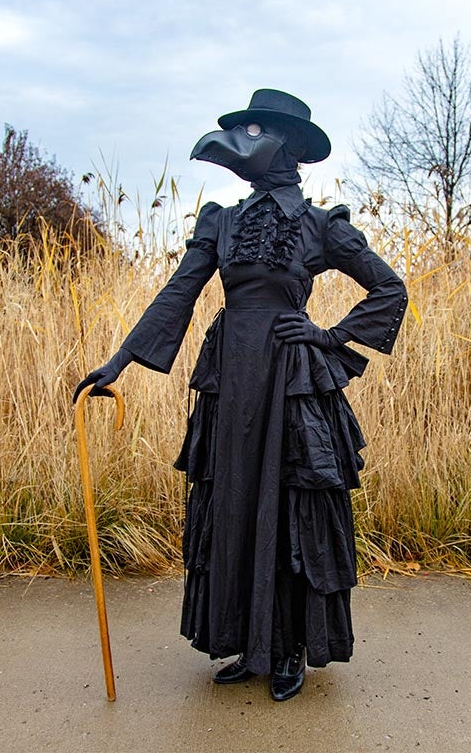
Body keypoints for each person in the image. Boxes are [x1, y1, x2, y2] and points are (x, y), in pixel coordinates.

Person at [74, 89, 407, 702]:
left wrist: (327, 334)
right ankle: (243, 640)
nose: (246, 139)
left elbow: (390, 289)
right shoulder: (222, 221)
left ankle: (288, 648)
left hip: (291, 377)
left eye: (259, 130)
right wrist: (119, 362)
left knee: (289, 506)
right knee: (232, 499)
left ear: (292, 147)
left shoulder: (318, 225)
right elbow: (180, 291)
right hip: (232, 374)